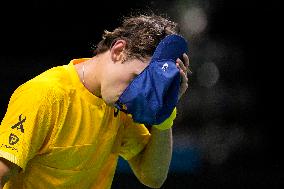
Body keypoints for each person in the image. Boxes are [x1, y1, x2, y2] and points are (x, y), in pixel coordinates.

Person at [0, 13, 190, 189]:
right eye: (135, 79)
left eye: (146, 90)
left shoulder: (118, 106)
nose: (134, 97)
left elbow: (152, 177)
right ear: (119, 50)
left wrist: (166, 111)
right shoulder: (45, 95)